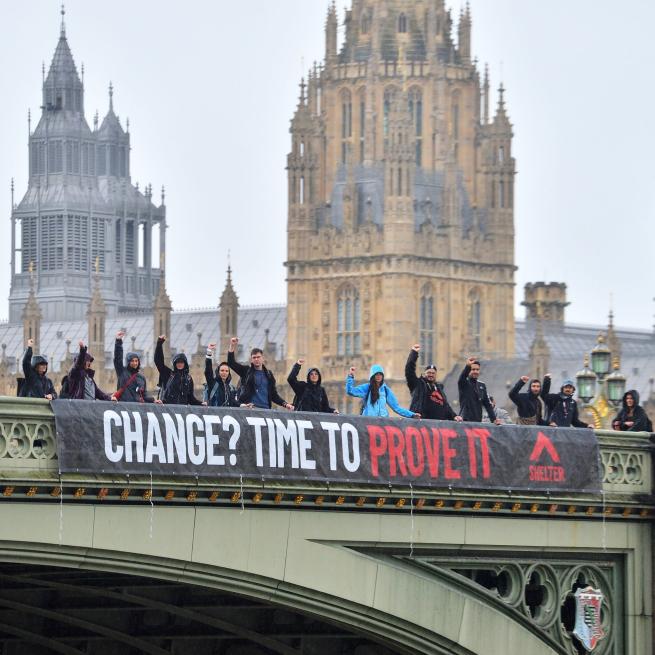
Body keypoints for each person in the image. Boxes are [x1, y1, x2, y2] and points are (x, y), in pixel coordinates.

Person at [227, 337, 293, 410]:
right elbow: (231, 363)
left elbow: (273, 395)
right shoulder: (246, 371)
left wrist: (285, 404)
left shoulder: (269, 374)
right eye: (254, 357)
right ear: (251, 360)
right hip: (251, 409)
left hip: (265, 410)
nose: (256, 359)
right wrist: (232, 346)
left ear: (263, 358)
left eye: (258, 357)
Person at [404, 344, 461, 421]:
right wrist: (414, 354)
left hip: (438, 427)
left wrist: (454, 416)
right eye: (429, 373)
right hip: (421, 423)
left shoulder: (439, 388)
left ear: (436, 375)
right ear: (424, 374)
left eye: (433, 373)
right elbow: (409, 370)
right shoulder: (418, 385)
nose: (431, 375)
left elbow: (446, 407)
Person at [346, 364, 419, 418]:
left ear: (382, 376)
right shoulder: (367, 388)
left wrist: (412, 414)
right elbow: (350, 391)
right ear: (372, 376)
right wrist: (350, 377)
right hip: (368, 423)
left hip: (382, 424)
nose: (378, 376)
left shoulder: (386, 390)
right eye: (376, 374)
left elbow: (396, 408)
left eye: (380, 374)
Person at [154, 335, 202, 405]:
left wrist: (201, 404)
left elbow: (191, 398)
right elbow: (158, 361)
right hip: (168, 409)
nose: (179, 364)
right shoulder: (169, 374)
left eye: (181, 362)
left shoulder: (188, 378)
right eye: (177, 362)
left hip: (181, 412)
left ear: (185, 364)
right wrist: (159, 344)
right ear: (174, 364)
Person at [111, 331, 156, 403]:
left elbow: (144, 395)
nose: (135, 363)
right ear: (128, 362)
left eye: (136, 361)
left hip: (137, 408)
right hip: (124, 407)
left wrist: (154, 400)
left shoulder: (141, 377)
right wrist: (118, 342)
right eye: (132, 361)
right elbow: (118, 358)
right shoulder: (122, 372)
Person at [457, 357, 500, 424]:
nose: (475, 371)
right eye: (473, 369)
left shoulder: (482, 385)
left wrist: (494, 419)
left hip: (478, 421)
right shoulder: (464, 383)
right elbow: (462, 378)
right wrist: (467, 366)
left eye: (477, 369)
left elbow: (487, 404)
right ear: (469, 371)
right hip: (465, 421)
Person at [205, 343, 239, 407]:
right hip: (214, 414)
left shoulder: (230, 388)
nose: (224, 372)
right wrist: (209, 352)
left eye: (226, 371)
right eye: (222, 370)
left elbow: (233, 403)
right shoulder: (213, 383)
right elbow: (208, 371)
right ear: (218, 371)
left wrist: (242, 405)